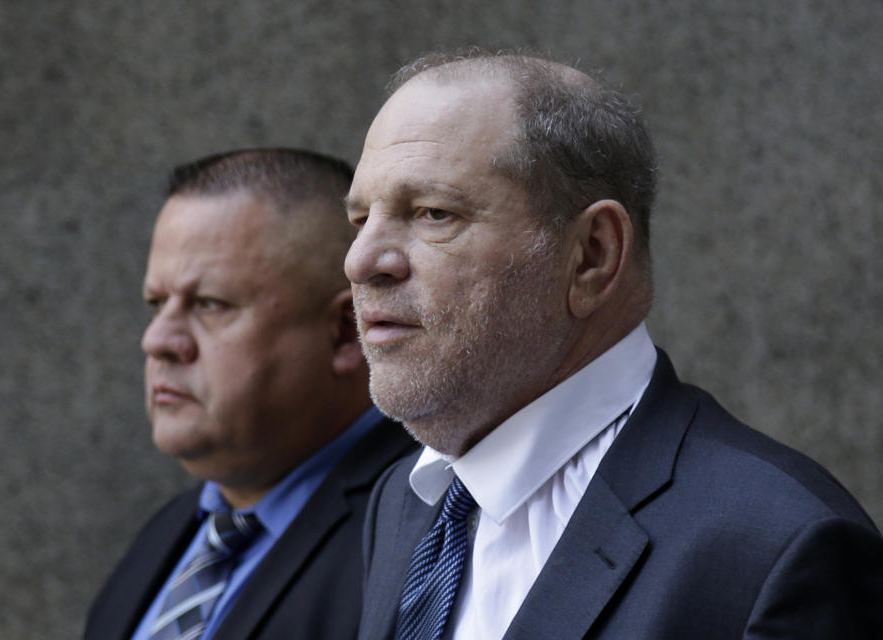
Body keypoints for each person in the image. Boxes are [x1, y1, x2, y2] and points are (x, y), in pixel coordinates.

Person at [345, 51, 883, 639]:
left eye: (432, 213)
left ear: (592, 256)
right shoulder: (407, 499)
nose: (362, 261)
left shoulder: (776, 545)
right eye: (361, 219)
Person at [85, 148, 415, 640]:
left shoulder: (425, 536)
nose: (157, 341)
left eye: (210, 304)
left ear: (347, 333)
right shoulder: (167, 537)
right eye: (158, 304)